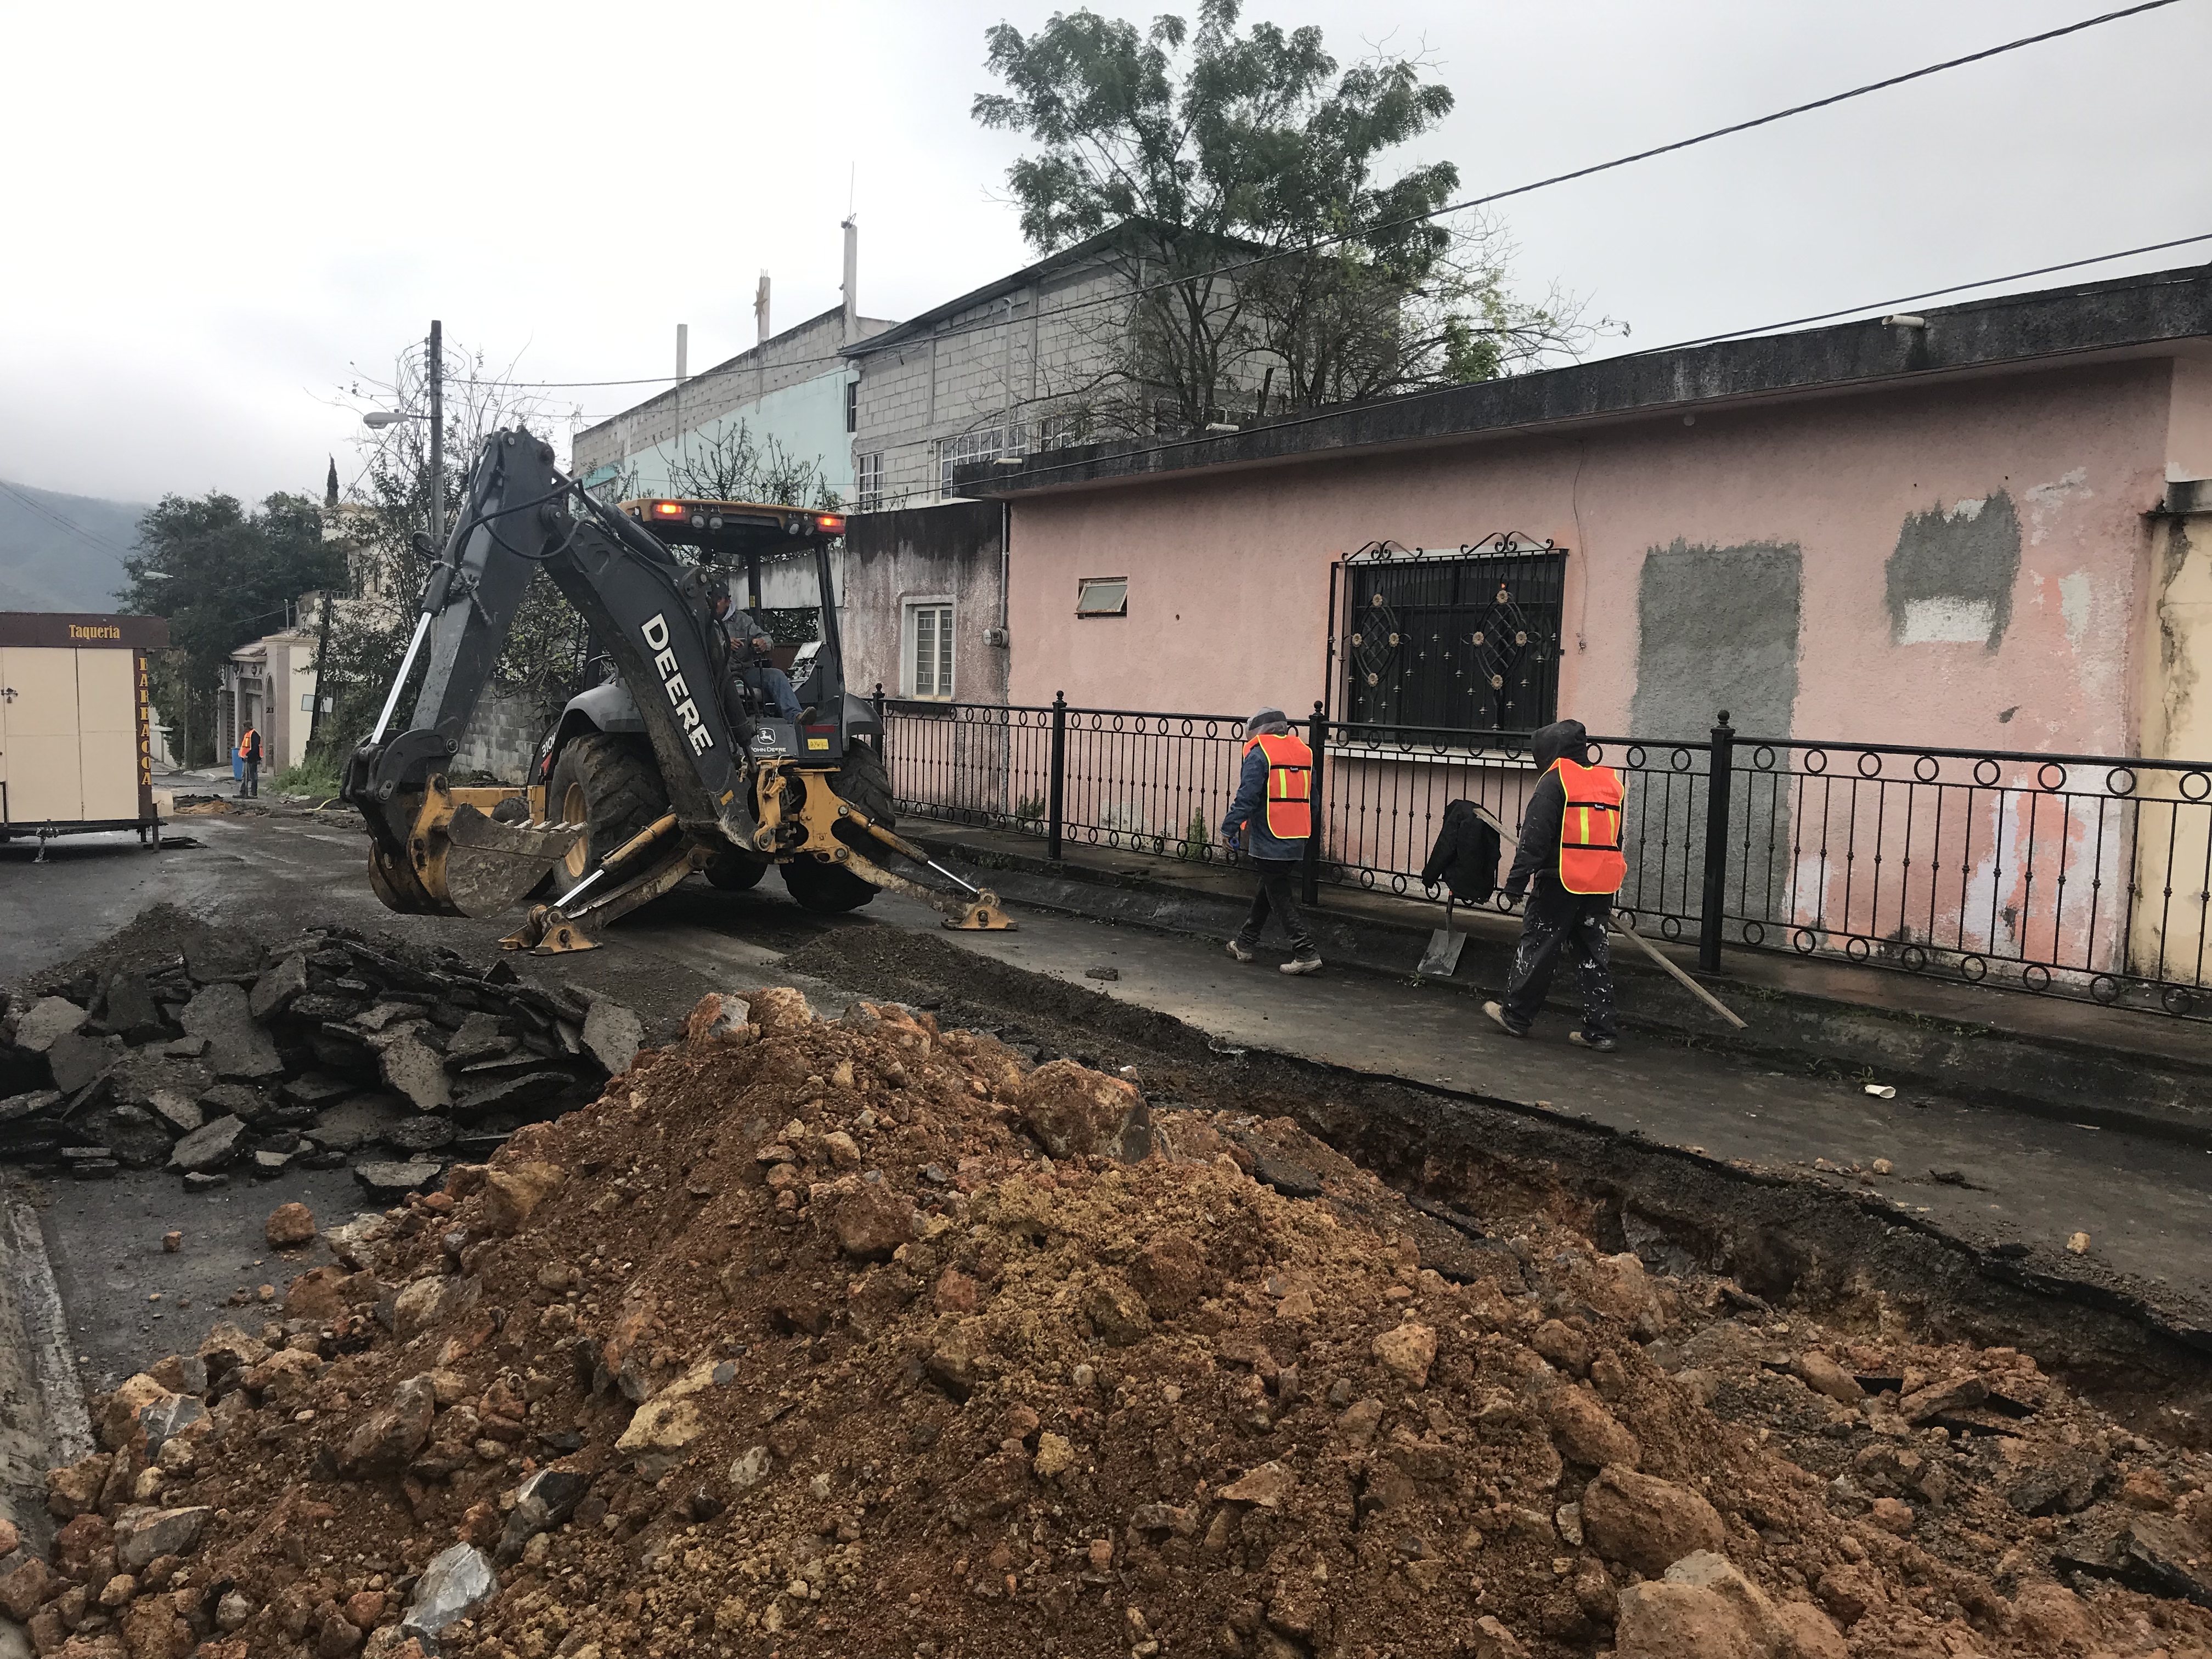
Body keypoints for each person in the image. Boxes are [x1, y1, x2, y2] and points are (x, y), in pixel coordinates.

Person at [1484, 718, 1626, 1051]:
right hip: (1600, 884)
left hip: (1560, 882)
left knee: (1538, 948)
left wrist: (1515, 884)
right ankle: (1601, 1031)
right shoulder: (1608, 784)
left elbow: (1534, 838)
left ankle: (1516, 1016)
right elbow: (1614, 837)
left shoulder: (1556, 781)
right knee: (1594, 955)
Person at [1221, 707, 1323, 975]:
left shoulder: (1259, 755)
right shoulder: (1302, 752)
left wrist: (1228, 829)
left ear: (1256, 732)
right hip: (1296, 836)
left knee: (1278, 896)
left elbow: (1246, 798)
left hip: (1269, 839)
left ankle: (1306, 952)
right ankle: (1245, 944)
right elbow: (1313, 799)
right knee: (1268, 889)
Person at [710, 586, 804, 720]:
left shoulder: (743, 620)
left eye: (719, 599)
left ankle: (796, 717)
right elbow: (698, 647)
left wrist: (762, 643)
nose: (716, 603)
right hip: (716, 675)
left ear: (728, 601)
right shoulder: (702, 619)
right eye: (713, 599)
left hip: (745, 672)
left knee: (776, 676)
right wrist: (724, 646)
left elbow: (767, 638)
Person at [237, 725, 262, 798]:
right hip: (246, 759)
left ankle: (253, 793)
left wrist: (249, 755)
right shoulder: (247, 734)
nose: (244, 729)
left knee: (253, 776)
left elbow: (255, 748)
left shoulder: (254, 735)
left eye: (244, 727)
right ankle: (243, 792)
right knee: (245, 776)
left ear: (247, 727)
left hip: (252, 759)